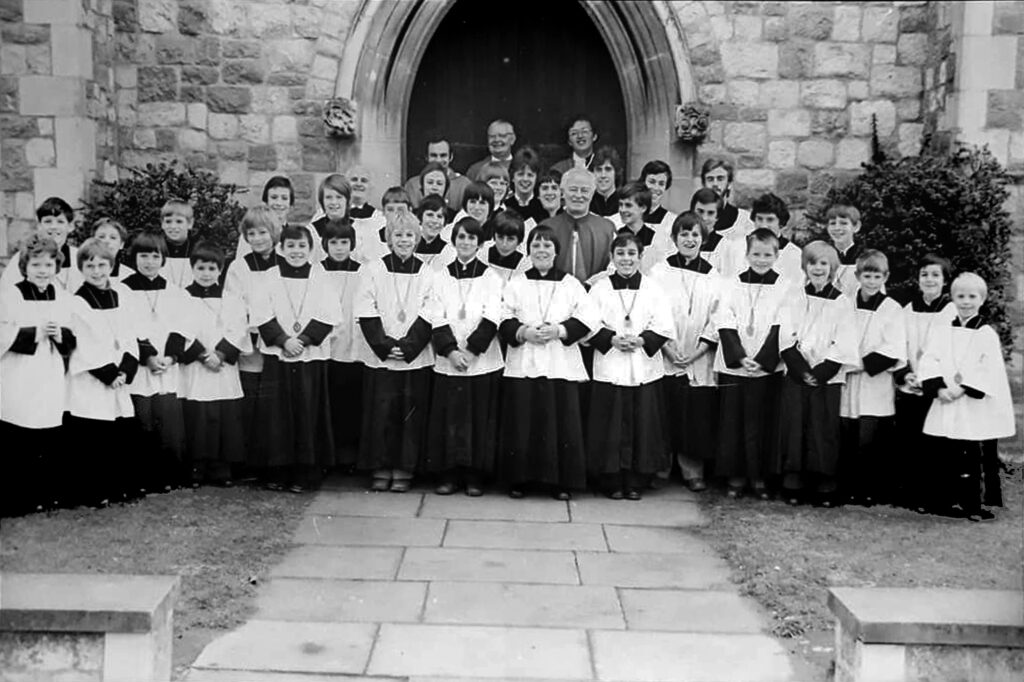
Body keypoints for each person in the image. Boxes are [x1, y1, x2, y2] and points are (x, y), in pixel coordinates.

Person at [498, 225, 597, 500]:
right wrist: (523, 332)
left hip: (559, 361)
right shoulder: (516, 283)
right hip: (524, 359)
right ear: (528, 251)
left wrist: (560, 330)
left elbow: (588, 317)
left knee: (561, 422)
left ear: (556, 251)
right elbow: (503, 315)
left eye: (547, 246)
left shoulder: (570, 283)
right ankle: (520, 480)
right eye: (536, 245)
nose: (541, 250)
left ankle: (561, 482)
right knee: (523, 421)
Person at [918, 272, 1015, 521]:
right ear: (953, 298)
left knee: (971, 456)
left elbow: (987, 368)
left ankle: (973, 504)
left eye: (972, 296)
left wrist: (962, 388)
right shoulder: (942, 331)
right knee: (945, 454)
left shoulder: (986, 334)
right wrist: (939, 388)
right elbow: (930, 359)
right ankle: (944, 501)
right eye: (960, 296)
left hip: (970, 404)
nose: (966, 302)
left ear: (981, 300)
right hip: (945, 400)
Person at [251, 224, 338, 493]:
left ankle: (305, 473)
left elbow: (330, 313)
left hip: (309, 356)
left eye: (302, 246)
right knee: (277, 416)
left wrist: (303, 341)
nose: (296, 251)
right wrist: (283, 341)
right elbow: (260, 313)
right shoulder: (269, 277)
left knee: (307, 412)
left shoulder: (320, 276)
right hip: (279, 356)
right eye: (291, 246)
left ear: (310, 250)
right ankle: (278, 472)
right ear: (281, 248)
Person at [586, 232, 673, 500]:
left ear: (640, 256)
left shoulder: (653, 288)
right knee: (610, 425)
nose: (626, 259)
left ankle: (636, 480)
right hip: (611, 363)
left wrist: (642, 339)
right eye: (621, 254)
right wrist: (610, 339)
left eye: (631, 253)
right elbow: (588, 324)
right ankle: (611, 479)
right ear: (612, 257)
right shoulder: (600, 288)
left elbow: (664, 325)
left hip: (642, 365)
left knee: (640, 425)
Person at [355, 212, 436, 493]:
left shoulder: (428, 273)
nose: (404, 240)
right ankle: (380, 466)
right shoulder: (372, 270)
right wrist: (386, 345)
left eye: (409, 235)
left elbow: (431, 311)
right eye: (398, 235)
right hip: (382, 357)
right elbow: (366, 308)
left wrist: (410, 345)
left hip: (414, 356)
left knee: (408, 416)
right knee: (381, 414)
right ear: (389, 238)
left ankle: (404, 468)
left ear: (417, 239)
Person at [424, 217, 504, 496]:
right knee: (451, 418)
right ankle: (449, 475)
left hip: (481, 359)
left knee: (478, 419)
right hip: (450, 359)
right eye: (461, 237)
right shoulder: (440, 276)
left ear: (480, 244)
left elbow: (493, 315)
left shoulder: (491, 277)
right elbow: (436, 314)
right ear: (454, 241)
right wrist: (451, 351)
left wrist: (469, 351)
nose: (466, 242)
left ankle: (475, 477)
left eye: (472, 238)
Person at [0, 235, 76, 516]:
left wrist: (61, 335)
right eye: (36, 264)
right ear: (25, 266)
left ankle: (44, 494)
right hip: (18, 373)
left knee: (46, 434)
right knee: (18, 434)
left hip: (49, 372)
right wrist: (33, 333)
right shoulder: (9, 295)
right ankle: (16, 498)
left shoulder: (63, 297)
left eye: (48, 265)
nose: (42, 270)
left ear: (57, 267)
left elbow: (72, 337)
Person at [777, 241, 857, 507]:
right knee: (795, 426)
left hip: (826, 376)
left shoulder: (842, 302)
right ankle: (794, 480)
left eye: (824, 263)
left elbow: (844, 341)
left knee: (823, 428)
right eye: (813, 263)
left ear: (833, 268)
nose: (818, 268)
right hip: (798, 373)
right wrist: (801, 369)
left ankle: (825, 483)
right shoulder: (794, 296)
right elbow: (785, 334)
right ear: (805, 267)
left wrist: (821, 372)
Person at [713, 228, 789, 499]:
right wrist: (740, 356)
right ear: (746, 254)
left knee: (763, 423)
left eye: (767, 254)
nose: (761, 259)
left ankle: (759, 477)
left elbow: (784, 325)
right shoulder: (731, 284)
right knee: (734, 422)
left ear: (777, 255)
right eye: (756, 254)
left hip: (767, 366)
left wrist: (763, 360)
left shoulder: (785, 286)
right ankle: (735, 476)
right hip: (736, 364)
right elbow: (724, 318)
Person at [66, 237, 140, 508]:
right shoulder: (77, 302)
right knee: (93, 438)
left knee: (116, 437)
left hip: (119, 378)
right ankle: (94, 491)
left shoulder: (120, 296)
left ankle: (118, 486)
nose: (97, 271)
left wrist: (126, 369)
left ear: (111, 264)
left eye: (102, 264)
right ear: (81, 269)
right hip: (94, 379)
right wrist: (109, 373)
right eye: (90, 266)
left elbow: (130, 335)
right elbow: (83, 343)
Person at [650, 212, 721, 492]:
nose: (689, 240)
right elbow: (652, 312)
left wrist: (697, 352)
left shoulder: (713, 276)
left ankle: (692, 470)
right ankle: (662, 467)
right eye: (684, 234)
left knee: (695, 415)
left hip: (697, 356)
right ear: (674, 238)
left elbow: (717, 317)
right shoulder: (659, 271)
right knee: (666, 411)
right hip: (667, 352)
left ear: (703, 239)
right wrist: (668, 348)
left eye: (695, 235)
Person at [121, 232, 192, 492]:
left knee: (167, 421)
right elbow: (125, 328)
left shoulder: (174, 292)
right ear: (133, 257)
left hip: (166, 365)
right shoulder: (122, 290)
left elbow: (182, 325)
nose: (149, 262)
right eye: (143, 256)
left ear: (163, 259)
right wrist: (148, 355)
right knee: (143, 420)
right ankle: (143, 479)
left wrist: (171, 356)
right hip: (140, 366)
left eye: (155, 256)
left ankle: (169, 477)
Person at [839, 249, 906, 506]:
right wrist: (846, 360)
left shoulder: (892, 309)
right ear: (857, 276)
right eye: (867, 275)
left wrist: (860, 364)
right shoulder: (845, 303)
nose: (871, 281)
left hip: (873, 380)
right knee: (848, 434)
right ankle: (848, 488)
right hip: (848, 378)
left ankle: (870, 490)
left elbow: (894, 348)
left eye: (877, 276)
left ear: (885, 277)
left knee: (870, 438)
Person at [178, 243, 248, 487]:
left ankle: (221, 467)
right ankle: (197, 467)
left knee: (223, 417)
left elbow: (239, 329)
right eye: (201, 268)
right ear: (193, 269)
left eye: (211, 268)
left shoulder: (232, 299)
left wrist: (220, 354)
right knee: (198, 418)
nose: (206, 273)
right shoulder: (182, 297)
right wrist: (202, 355)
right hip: (197, 367)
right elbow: (180, 331)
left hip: (223, 368)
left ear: (220, 270)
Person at [224, 205, 284, 478]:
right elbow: (234, 304)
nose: (258, 238)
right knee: (250, 402)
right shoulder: (239, 267)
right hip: (250, 341)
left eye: (263, 232)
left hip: (278, 341)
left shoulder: (286, 262)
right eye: (252, 233)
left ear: (274, 232)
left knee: (273, 404)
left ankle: (270, 462)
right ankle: (248, 462)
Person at [894, 254, 956, 512]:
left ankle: (941, 497)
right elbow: (899, 345)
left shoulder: (951, 310)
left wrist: (932, 381)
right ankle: (914, 495)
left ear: (945, 281)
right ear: (917, 279)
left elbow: (952, 351)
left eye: (935, 275)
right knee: (912, 442)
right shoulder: (908, 310)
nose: (929, 279)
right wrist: (905, 373)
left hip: (937, 387)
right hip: (911, 384)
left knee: (939, 444)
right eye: (924, 275)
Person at [319, 218, 366, 466]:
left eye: (344, 242)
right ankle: (330, 455)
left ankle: (350, 456)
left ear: (352, 244)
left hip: (353, 346)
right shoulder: (317, 271)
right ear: (325, 244)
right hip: (326, 346)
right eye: (333, 242)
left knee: (351, 403)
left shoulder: (362, 271)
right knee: (330, 403)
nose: (339, 247)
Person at [542, 168, 616, 286]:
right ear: (563, 192)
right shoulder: (546, 227)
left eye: (585, 190)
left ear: (593, 193)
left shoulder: (607, 229)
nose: (578, 195)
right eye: (573, 189)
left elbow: (614, 268)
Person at [1, 197, 82, 293]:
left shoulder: (78, 257)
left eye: (60, 222)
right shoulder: (23, 257)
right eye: (48, 221)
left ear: (70, 227)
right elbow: (7, 293)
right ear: (39, 226)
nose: (53, 227)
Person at [611, 181, 669, 274]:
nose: (622, 210)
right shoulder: (615, 236)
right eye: (620, 205)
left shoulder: (657, 238)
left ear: (643, 208)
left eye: (628, 205)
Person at [403, 135, 471, 211]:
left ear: (451, 157)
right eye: (433, 155)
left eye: (443, 155)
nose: (438, 160)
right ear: (426, 157)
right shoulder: (412, 185)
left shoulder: (464, 184)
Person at [749, 193, 802, 287]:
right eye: (759, 219)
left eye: (770, 220)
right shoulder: (741, 248)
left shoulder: (793, 254)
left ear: (781, 223)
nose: (763, 225)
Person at [356, 186, 416, 265]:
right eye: (390, 210)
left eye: (400, 209)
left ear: (409, 210)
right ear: (383, 212)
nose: (395, 214)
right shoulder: (370, 239)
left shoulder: (416, 239)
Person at [700, 157, 753, 235]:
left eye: (720, 179)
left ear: (729, 183)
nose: (715, 184)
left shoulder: (744, 220)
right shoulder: (693, 219)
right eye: (710, 179)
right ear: (703, 184)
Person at [478, 209, 531, 286]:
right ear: (494, 236)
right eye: (500, 237)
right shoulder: (483, 252)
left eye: (510, 239)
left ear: (519, 241)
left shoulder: (524, 264)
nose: (504, 244)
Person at [826, 203, 864, 297]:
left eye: (843, 223)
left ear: (856, 226)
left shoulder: (866, 259)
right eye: (832, 223)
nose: (837, 228)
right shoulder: (822, 258)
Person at [414, 194, 457, 272]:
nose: (434, 221)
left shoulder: (449, 250)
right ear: (420, 217)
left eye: (439, 216)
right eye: (430, 215)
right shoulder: (409, 246)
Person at [159, 198, 196, 288]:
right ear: (162, 224)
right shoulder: (156, 250)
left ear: (190, 223)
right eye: (168, 221)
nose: (173, 226)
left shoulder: (197, 250)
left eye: (179, 221)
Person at [639, 160, 677, 244]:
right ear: (643, 182)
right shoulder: (629, 215)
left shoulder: (672, 222)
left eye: (661, 184)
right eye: (652, 182)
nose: (656, 188)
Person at [506, 147, 546, 224]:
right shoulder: (505, 207)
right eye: (520, 174)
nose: (525, 179)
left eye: (530, 175)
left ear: (536, 178)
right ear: (513, 177)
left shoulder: (543, 207)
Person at [310, 173, 351, 240]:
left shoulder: (359, 229)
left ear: (347, 200)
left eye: (339, 197)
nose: (334, 202)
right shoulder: (312, 231)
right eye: (328, 197)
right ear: (322, 200)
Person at [589, 146, 623, 217]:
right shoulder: (586, 204)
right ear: (593, 173)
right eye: (598, 170)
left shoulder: (624, 204)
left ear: (616, 173)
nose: (603, 175)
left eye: (608, 169)